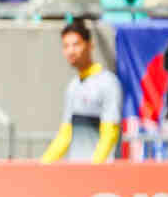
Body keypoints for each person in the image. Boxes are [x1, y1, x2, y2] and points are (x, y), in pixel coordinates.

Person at [40, 19, 122, 163]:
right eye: (66, 46)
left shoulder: (108, 82)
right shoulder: (73, 86)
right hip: (78, 173)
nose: (70, 51)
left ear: (90, 45)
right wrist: (43, 164)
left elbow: (110, 132)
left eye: (76, 44)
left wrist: (94, 168)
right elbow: (65, 134)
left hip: (101, 176)